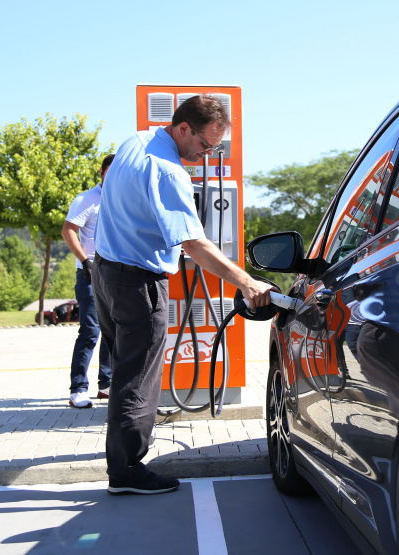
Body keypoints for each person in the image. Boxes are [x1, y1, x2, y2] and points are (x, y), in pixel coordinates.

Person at [92, 94, 275, 495]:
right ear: (183, 128)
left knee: (125, 371)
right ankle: (126, 471)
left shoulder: (136, 141)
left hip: (105, 271)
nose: (207, 155)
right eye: (206, 145)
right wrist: (248, 283)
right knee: (139, 379)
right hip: (138, 282)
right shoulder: (169, 171)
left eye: (215, 148)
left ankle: (121, 459)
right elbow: (194, 244)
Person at [61, 154, 115, 409]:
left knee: (111, 331)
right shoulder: (87, 199)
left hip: (115, 273)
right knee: (90, 331)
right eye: (110, 171)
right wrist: (85, 261)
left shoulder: (122, 198)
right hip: (90, 272)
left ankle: (106, 384)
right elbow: (68, 230)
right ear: (102, 172)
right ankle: (78, 389)